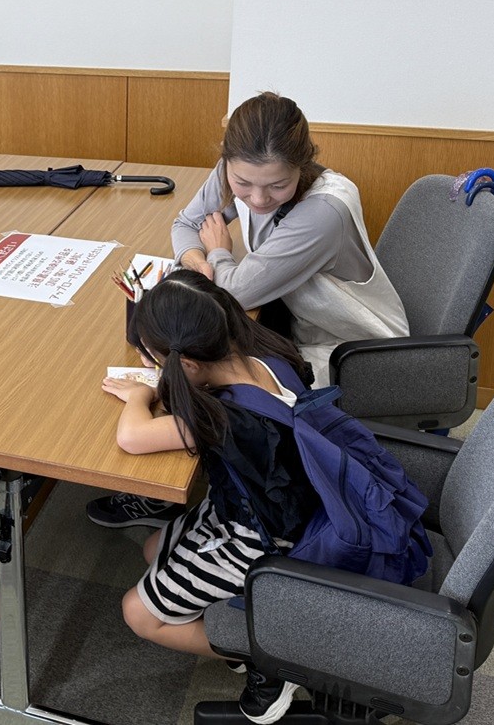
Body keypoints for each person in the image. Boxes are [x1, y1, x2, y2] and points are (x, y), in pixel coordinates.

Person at [88, 91, 409, 530]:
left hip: (349, 348)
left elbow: (235, 293)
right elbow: (185, 224)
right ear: (227, 162)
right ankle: (196, 491)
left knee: (215, 387)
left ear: (302, 164)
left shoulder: (324, 211)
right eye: (243, 183)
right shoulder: (232, 170)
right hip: (292, 324)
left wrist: (218, 254)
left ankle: (208, 503)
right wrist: (195, 261)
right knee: (196, 366)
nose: (257, 199)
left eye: (277, 185)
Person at [101, 271, 321, 724]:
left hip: (263, 537)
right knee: (151, 548)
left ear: (189, 364)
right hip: (270, 507)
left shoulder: (223, 416)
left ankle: (271, 658)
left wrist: (138, 397)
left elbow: (133, 437)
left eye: (159, 359)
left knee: (139, 613)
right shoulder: (264, 355)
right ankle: (244, 629)